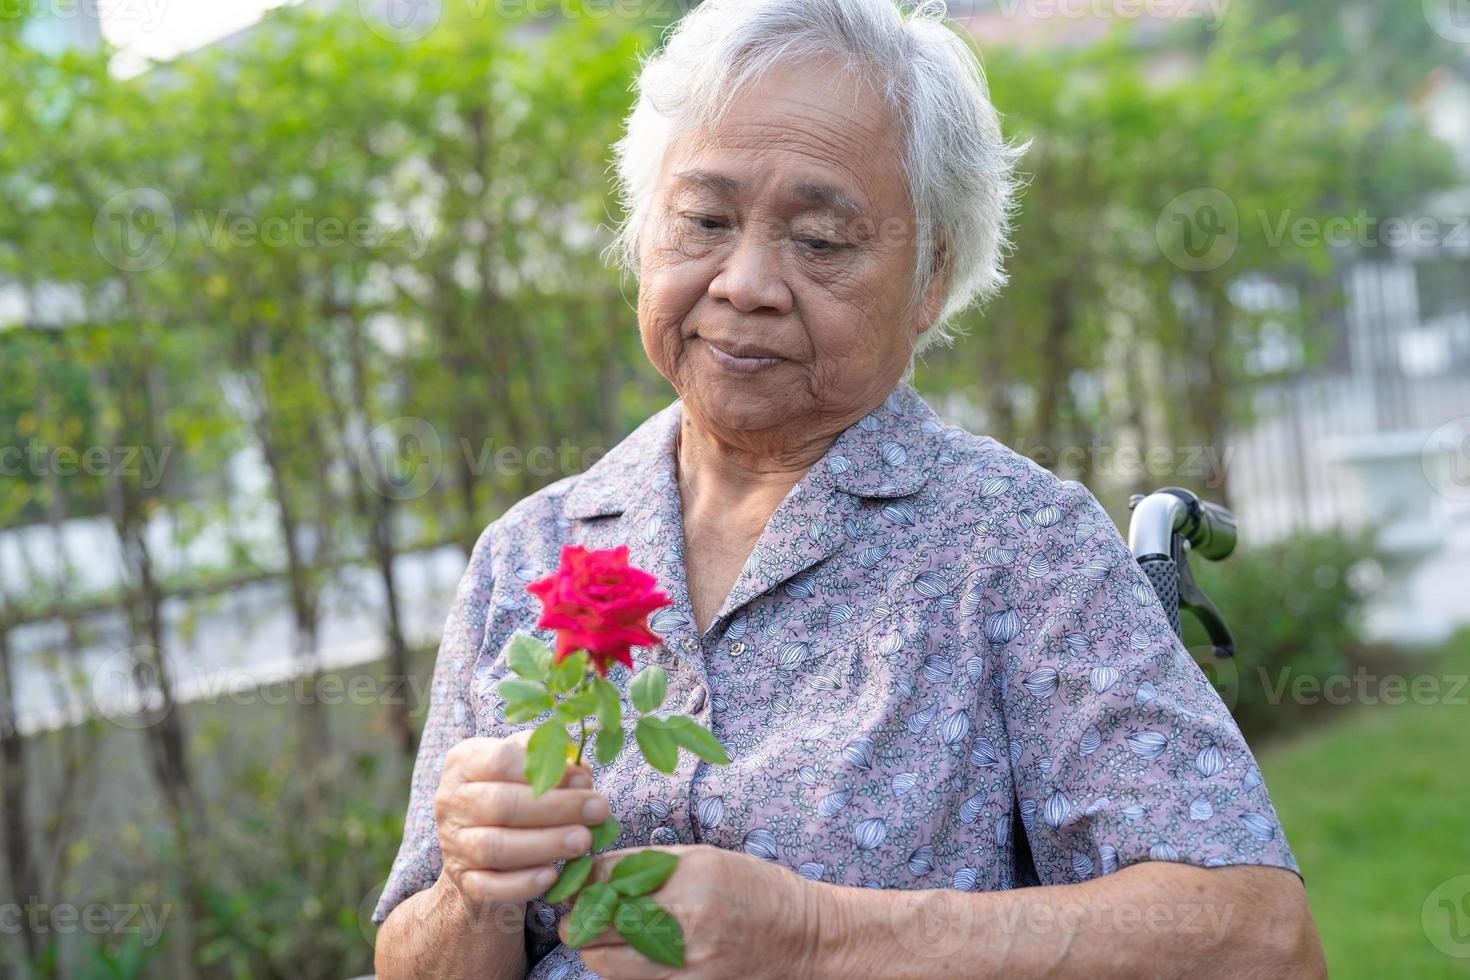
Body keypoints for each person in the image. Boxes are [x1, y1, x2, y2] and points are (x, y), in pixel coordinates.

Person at [374, 1, 1326, 976]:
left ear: (929, 276)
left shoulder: (1018, 547)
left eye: (821, 239)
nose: (745, 281)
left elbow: (1258, 938)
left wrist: (818, 938)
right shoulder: (528, 553)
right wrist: (470, 889)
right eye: (704, 219)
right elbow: (409, 952)